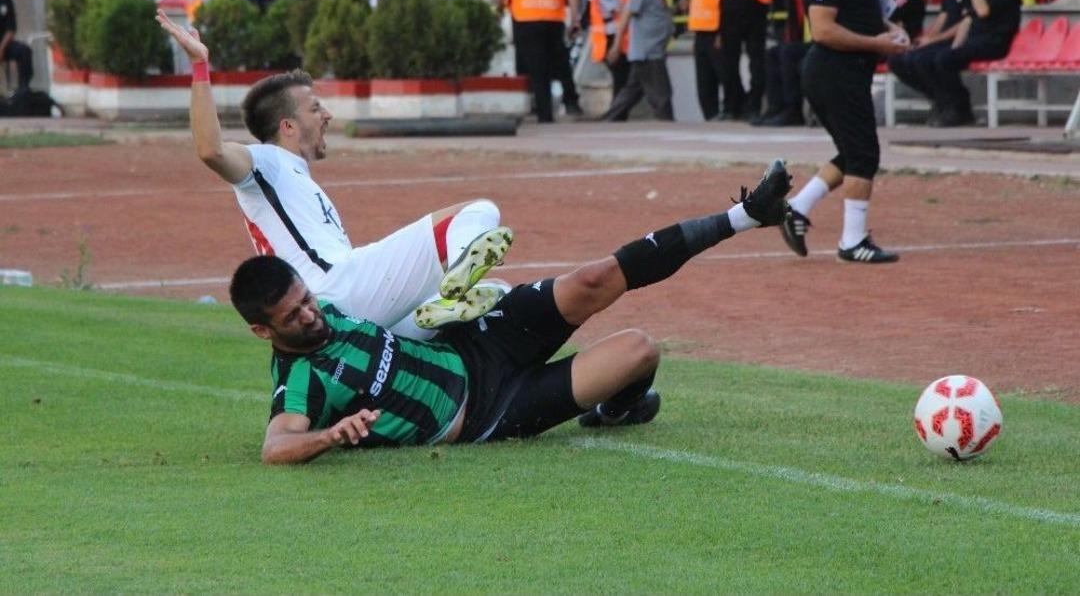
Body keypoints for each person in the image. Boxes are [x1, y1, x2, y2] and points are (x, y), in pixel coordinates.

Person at [232, 160, 794, 462]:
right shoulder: (301, 377)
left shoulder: (331, 302)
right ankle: (620, 410)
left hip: (475, 344)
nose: (310, 314)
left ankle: (746, 215)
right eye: (293, 316)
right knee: (640, 349)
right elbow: (276, 444)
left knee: (594, 278)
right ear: (263, 331)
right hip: (487, 412)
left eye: (305, 299)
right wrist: (333, 436)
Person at [155, 9, 510, 340]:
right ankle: (457, 282)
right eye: (315, 107)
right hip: (338, 288)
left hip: (338, 315)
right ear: (288, 126)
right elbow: (210, 149)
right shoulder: (267, 162)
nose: (327, 115)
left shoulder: (291, 175)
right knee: (478, 213)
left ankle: (448, 306)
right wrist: (200, 66)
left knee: (496, 296)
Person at [780, 0, 909, 264]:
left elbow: (865, 13)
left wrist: (891, 31)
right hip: (833, 71)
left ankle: (798, 208)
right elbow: (822, 30)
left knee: (853, 152)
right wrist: (877, 43)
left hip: (848, 71)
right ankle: (852, 241)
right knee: (864, 155)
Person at [920, 0, 1020, 127]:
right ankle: (949, 104)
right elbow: (968, 19)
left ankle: (959, 107)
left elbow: (982, 11)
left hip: (995, 42)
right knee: (938, 57)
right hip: (977, 40)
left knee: (944, 60)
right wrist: (956, 46)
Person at [887, 0, 971, 125]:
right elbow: (943, 16)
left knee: (929, 59)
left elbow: (967, 21)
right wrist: (928, 38)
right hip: (943, 39)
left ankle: (956, 104)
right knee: (900, 60)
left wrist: (935, 39)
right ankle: (939, 98)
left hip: (961, 39)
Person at [601, 0, 675, 122]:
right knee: (662, 94)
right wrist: (617, 46)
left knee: (632, 91)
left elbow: (656, 14)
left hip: (650, 50)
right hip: (648, 52)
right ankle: (668, 126)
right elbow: (627, 14)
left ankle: (609, 121)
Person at [588, 0, 631, 102]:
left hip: (620, 38)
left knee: (622, 79)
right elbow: (621, 8)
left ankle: (617, 115)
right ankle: (616, 116)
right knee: (620, 79)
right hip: (608, 39)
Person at [0, 0, 33, 93]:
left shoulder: (6, 2)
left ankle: (23, 90)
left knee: (24, 51)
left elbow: (11, 29)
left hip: (4, 45)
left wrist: (1, 48)